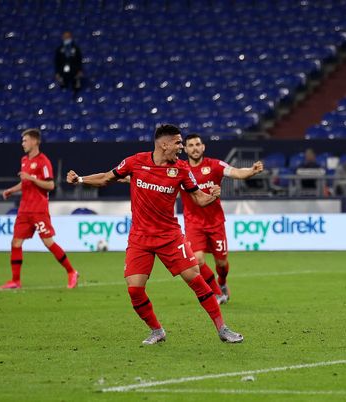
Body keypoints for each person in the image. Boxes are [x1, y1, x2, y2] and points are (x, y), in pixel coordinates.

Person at [66, 124, 243, 344]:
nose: (181, 147)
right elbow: (106, 178)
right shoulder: (135, 161)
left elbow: (199, 198)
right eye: (178, 142)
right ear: (164, 144)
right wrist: (80, 179)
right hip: (140, 238)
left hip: (170, 236)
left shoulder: (181, 169)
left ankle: (222, 329)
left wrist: (213, 196)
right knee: (135, 290)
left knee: (195, 280)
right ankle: (157, 330)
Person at [182, 134, 264, 304]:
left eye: (198, 144)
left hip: (215, 223)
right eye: (190, 145)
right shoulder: (180, 169)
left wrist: (251, 171)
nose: (195, 148)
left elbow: (235, 172)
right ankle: (217, 292)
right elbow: (156, 177)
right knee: (197, 260)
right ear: (185, 149)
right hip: (193, 223)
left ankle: (222, 282)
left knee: (221, 263)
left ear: (203, 147)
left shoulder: (215, 165)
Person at [0, 129, 79, 290]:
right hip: (24, 209)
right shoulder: (24, 160)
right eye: (22, 141)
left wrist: (32, 178)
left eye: (25, 140)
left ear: (35, 141)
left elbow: (50, 185)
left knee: (48, 242)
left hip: (38, 209)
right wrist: (11, 190)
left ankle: (71, 272)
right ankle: (15, 281)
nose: (23, 144)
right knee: (16, 242)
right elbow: (25, 183)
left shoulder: (43, 162)